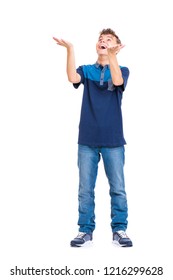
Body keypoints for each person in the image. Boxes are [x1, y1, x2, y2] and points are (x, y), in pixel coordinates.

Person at [53, 28, 133, 247]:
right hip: (87, 139)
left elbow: (117, 81)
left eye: (108, 40)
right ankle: (85, 230)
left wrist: (114, 57)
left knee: (118, 188)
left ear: (117, 45)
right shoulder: (87, 70)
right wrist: (70, 49)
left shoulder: (123, 69)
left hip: (113, 141)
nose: (102, 41)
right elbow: (72, 77)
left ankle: (119, 229)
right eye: (100, 39)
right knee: (85, 189)